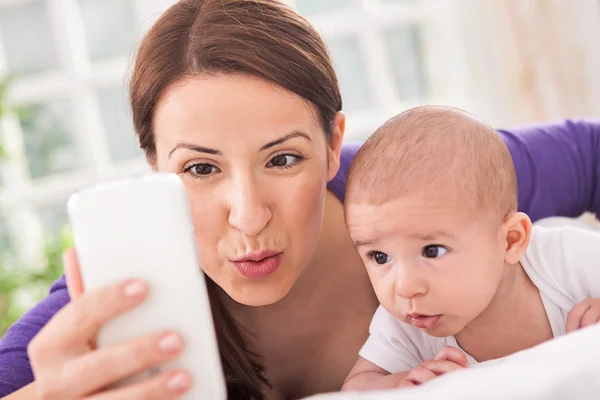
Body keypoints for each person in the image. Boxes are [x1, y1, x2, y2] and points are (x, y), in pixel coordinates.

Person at [0, 0, 599, 399]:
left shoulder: (424, 191)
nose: (249, 214)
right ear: (155, 170)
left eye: (283, 159)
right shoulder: (114, 302)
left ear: (335, 145)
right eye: (200, 168)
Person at [340, 106, 600, 391]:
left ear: (510, 241)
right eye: (380, 257)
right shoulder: (404, 325)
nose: (404, 286)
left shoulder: (566, 259)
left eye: (432, 251)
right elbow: (354, 390)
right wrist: (401, 384)